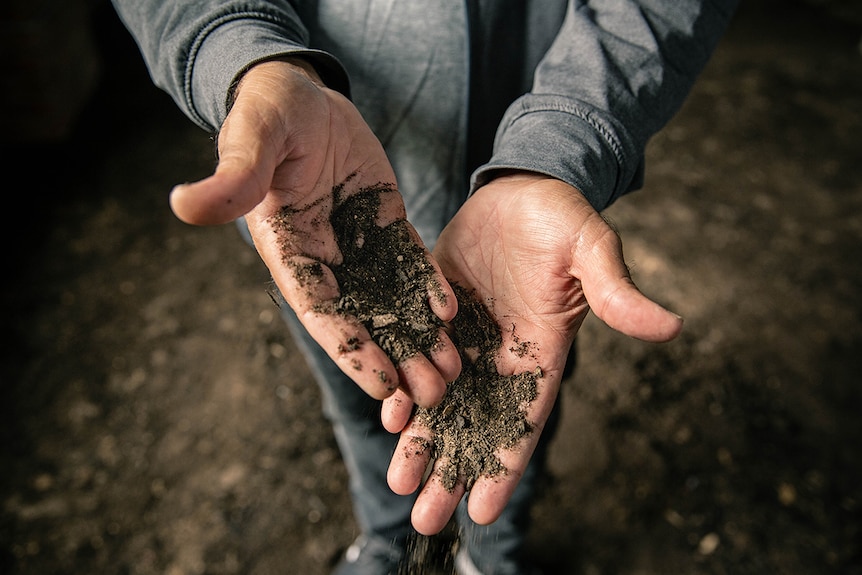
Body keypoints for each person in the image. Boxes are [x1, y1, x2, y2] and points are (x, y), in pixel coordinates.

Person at [111, 1, 738, 573]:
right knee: (363, 388)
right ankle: (388, 539)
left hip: (521, 158)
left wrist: (561, 146)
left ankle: (494, 551)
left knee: (519, 394)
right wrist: (242, 51)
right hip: (318, 190)